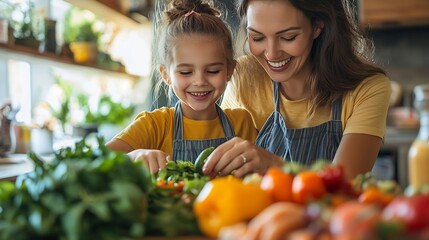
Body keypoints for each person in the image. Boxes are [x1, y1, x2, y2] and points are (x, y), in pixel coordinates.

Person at [202, 0, 391, 180]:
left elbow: (345, 187)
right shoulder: (244, 77)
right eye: (257, 37)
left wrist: (275, 166)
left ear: (317, 26)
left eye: (288, 37)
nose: (271, 53)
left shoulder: (368, 88)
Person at [106, 0, 258, 174]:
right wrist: (133, 157)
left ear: (230, 70)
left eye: (213, 70)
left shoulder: (242, 123)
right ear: (166, 75)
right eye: (186, 72)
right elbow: (97, 161)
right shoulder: (155, 125)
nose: (200, 81)